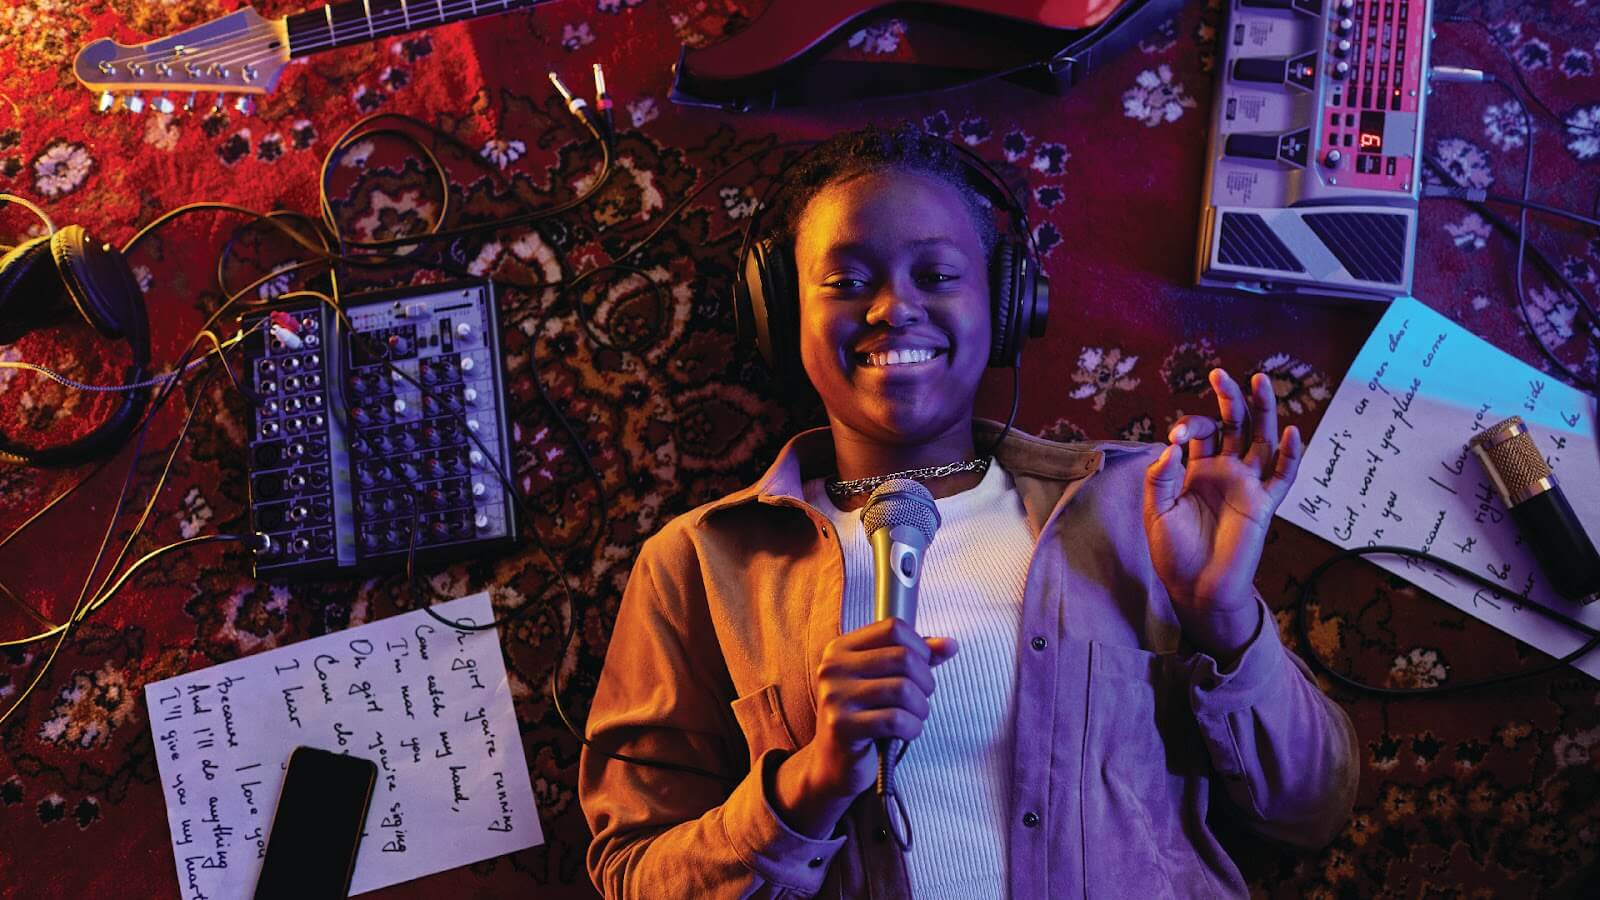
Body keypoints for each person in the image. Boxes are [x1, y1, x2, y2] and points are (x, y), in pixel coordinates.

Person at [578, 126, 1359, 898]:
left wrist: (1223, 617)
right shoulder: (699, 565)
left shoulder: (1143, 505)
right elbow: (631, 873)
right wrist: (809, 784)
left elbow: (1312, 812)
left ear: (1008, 303)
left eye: (938, 275)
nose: (894, 308)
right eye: (846, 282)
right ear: (782, 319)